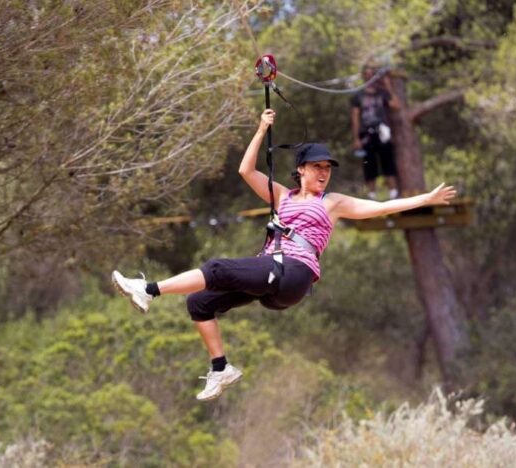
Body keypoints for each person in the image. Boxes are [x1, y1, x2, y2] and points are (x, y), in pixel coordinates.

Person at [112, 109, 457, 401]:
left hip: (294, 273)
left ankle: (149, 290)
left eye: (328, 169)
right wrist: (261, 129)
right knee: (199, 304)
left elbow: (381, 207)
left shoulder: (332, 203)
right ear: (301, 170)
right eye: (318, 167)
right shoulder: (282, 196)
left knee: (215, 267)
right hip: (275, 278)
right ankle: (221, 368)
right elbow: (246, 171)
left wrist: (424, 199)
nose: (324, 173)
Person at [351, 64, 401, 200]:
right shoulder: (358, 95)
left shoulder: (382, 93)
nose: (369, 76)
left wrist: (388, 86)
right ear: (363, 76)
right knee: (369, 165)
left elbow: (396, 105)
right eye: (366, 74)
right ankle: (372, 195)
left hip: (383, 133)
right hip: (366, 134)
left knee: (388, 162)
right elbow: (355, 118)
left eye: (371, 74)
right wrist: (356, 138)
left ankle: (393, 193)